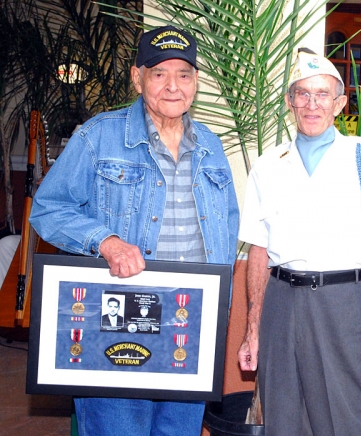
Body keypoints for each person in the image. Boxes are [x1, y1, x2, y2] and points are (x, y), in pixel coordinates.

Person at [30, 25, 239, 436]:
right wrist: (105, 242)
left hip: (189, 327)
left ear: (196, 81)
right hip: (117, 323)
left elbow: (227, 230)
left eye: (184, 74)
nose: (173, 86)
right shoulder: (98, 136)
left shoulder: (212, 147)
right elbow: (48, 209)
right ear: (137, 77)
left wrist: (220, 311)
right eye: (159, 73)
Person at [237, 48, 361, 436]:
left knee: (345, 415)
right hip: (280, 302)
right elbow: (258, 250)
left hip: (342, 302)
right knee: (282, 415)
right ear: (290, 102)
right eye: (302, 94)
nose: (311, 104)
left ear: (339, 103)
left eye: (322, 94)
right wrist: (253, 327)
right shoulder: (268, 164)